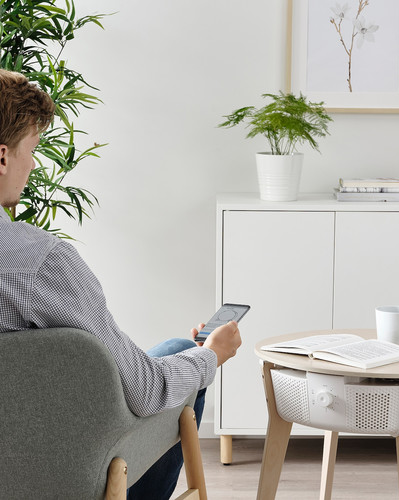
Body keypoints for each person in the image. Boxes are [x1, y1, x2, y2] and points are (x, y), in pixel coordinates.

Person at [0, 69, 242, 498]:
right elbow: (147, 390)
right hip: (59, 472)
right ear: (2, 158)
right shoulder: (38, 265)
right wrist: (211, 356)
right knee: (179, 354)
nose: (33, 164)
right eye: (31, 149)